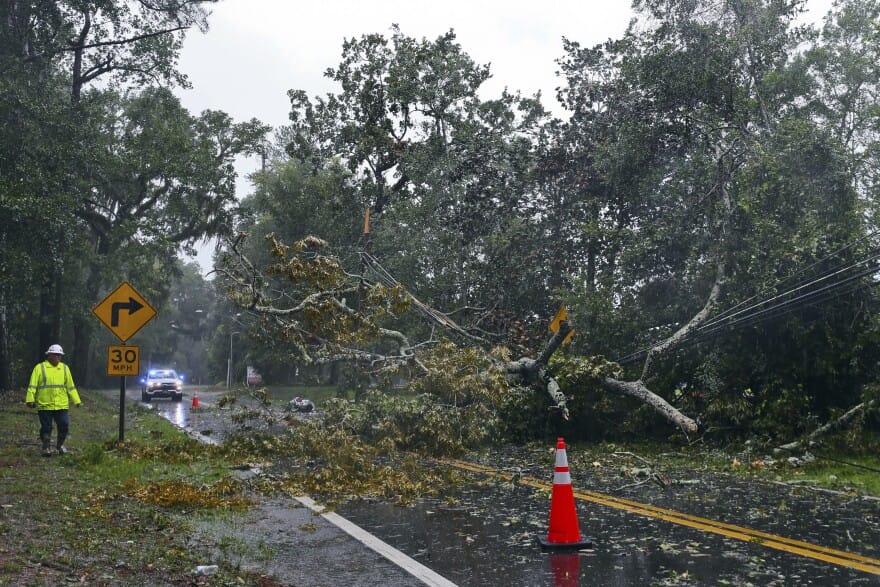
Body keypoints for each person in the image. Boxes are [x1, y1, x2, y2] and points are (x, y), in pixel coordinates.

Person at [25, 344, 82, 456]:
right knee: (46, 428)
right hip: (45, 404)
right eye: (55, 355)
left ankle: (60, 446)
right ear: (49, 355)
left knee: (64, 425)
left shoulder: (65, 368)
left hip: (61, 405)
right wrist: (30, 400)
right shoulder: (40, 368)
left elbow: (70, 386)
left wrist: (77, 400)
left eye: (59, 355)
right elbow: (32, 385)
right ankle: (46, 448)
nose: (57, 357)